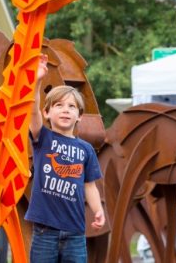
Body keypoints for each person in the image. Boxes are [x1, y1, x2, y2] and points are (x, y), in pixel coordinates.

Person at [25, 54, 105, 263]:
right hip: (45, 232)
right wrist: (37, 81)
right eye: (59, 105)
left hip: (75, 233)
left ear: (79, 116)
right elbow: (32, 110)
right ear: (47, 113)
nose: (65, 110)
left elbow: (90, 186)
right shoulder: (43, 138)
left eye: (71, 107)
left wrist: (98, 210)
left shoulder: (86, 149)